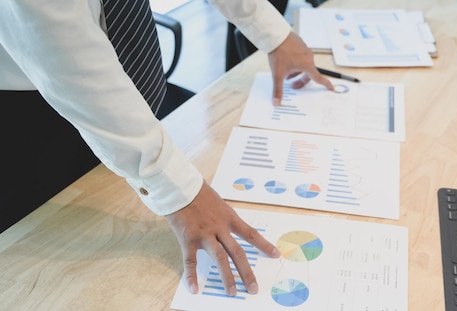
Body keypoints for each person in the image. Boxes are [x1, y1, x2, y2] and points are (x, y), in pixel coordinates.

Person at [0, 0, 333, 297]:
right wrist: (179, 192)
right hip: (38, 110)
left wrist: (271, 32)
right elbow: (67, 56)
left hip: (128, 93)